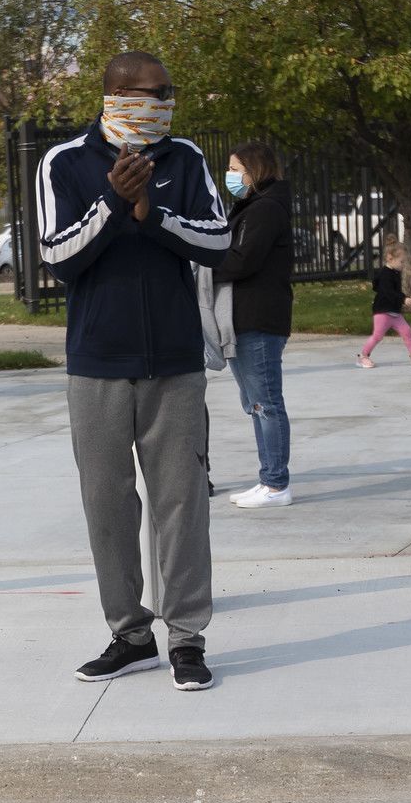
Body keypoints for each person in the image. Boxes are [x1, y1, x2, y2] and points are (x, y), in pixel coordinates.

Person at [37, 50, 231, 692]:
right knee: (107, 504)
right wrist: (114, 205)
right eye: (152, 92)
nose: (163, 102)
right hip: (97, 363)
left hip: (174, 360)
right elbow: (57, 257)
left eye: (169, 91)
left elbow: (216, 240)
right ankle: (129, 634)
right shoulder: (64, 162)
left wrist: (153, 213)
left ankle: (187, 640)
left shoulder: (186, 157)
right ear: (116, 95)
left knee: (181, 503)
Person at [214, 142, 296, 509]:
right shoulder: (251, 208)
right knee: (255, 403)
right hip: (245, 317)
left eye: (235, 169)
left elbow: (242, 260)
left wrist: (205, 261)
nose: (230, 176)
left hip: (258, 318)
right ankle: (269, 479)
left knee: (266, 404)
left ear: (254, 171)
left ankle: (276, 484)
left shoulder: (265, 210)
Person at [356, 240, 411, 369]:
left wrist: (401, 300)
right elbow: (388, 291)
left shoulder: (395, 272)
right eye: (401, 261)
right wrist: (403, 299)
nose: (403, 264)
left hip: (393, 311)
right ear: (390, 258)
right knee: (378, 336)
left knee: (406, 330)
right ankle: (363, 357)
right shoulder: (386, 274)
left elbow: (393, 291)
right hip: (383, 311)